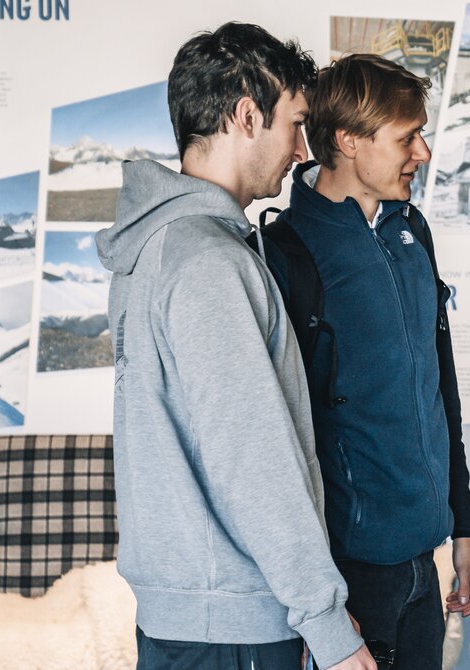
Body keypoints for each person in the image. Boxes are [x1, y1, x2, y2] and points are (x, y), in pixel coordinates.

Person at [95, 22, 375, 670]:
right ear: (247, 116)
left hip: (190, 620)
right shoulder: (207, 263)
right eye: (295, 124)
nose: (304, 150)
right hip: (231, 628)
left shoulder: (155, 251)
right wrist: (325, 624)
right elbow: (253, 462)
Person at [259, 53, 470, 670]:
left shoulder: (412, 230)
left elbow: (442, 389)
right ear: (348, 141)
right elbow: (279, 439)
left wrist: (463, 529)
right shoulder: (284, 255)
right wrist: (323, 603)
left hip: (426, 555)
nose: (423, 153)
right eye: (407, 137)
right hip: (349, 574)